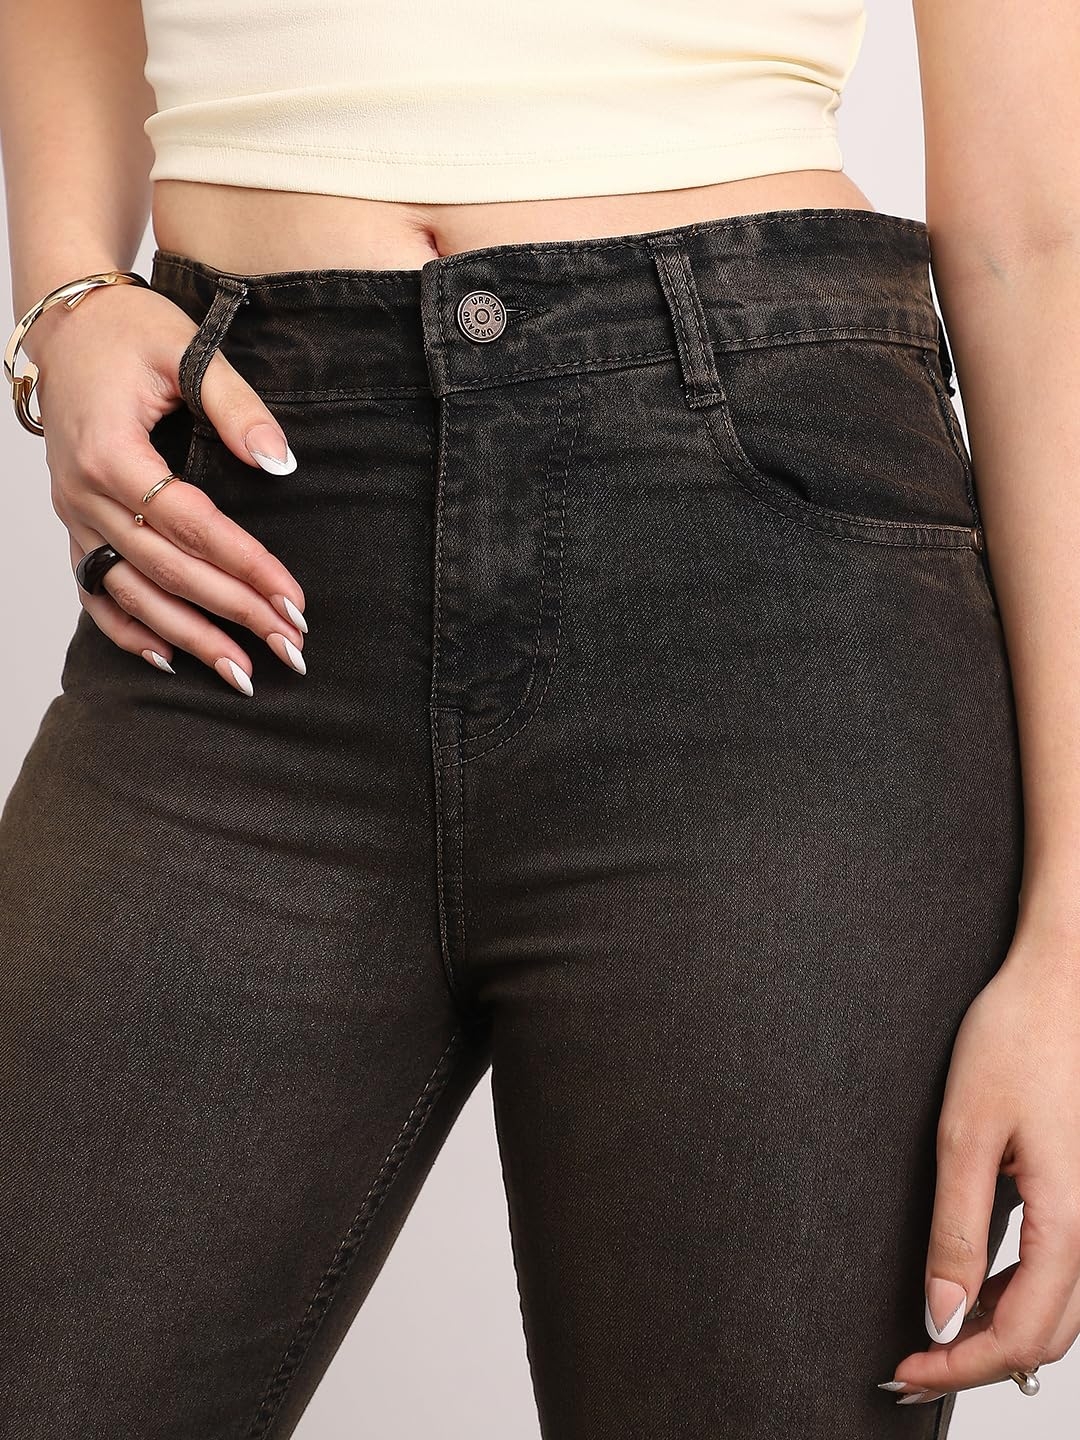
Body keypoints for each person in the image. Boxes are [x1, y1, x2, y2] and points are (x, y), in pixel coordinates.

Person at [0, 1, 1077, 1435]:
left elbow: (1035, 240)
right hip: (252, 530)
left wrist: (1071, 946)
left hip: (759, 576)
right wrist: (68, 287)